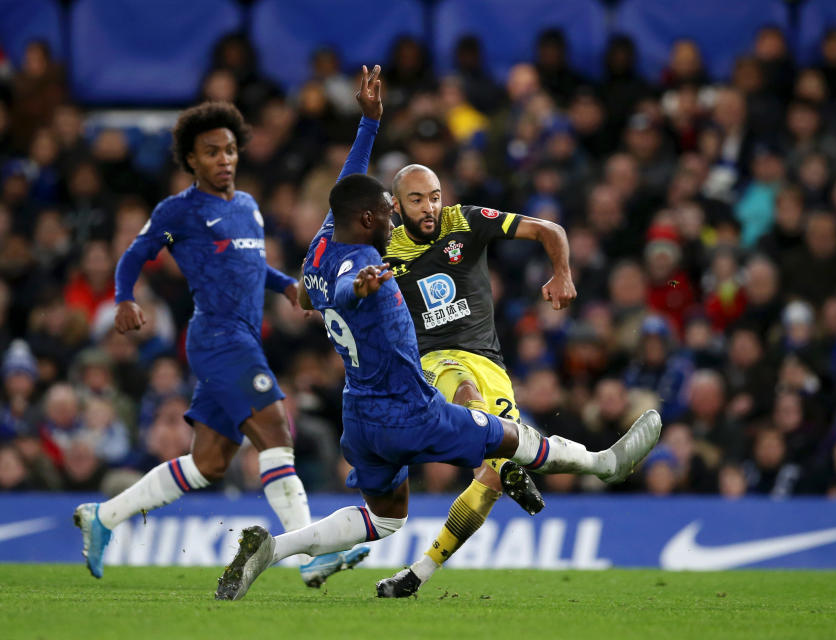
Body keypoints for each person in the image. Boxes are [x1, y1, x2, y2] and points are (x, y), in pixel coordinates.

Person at [213, 172, 662, 601]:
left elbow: (312, 293)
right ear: (380, 212)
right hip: (413, 398)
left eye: (434, 196)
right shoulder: (374, 259)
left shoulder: (339, 253)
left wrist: (369, 123)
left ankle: (273, 549)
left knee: (385, 519)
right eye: (406, 204)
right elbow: (350, 285)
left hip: (362, 413)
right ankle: (604, 463)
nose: (424, 209)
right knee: (507, 434)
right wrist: (360, 285)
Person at [73, 66, 386, 587]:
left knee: (210, 463)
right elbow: (134, 253)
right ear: (191, 159)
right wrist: (124, 297)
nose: (225, 159)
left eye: (230, 150)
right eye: (212, 152)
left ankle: (101, 517)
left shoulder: (247, 207)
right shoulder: (180, 210)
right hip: (217, 336)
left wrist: (285, 283)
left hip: (242, 334)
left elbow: (247, 266)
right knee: (275, 429)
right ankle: (308, 551)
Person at [375, 162, 577, 597]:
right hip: (432, 359)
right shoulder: (383, 250)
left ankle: (417, 575)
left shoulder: (463, 221)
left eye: (434, 195)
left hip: (490, 361)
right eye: (416, 199)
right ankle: (509, 465)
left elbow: (549, 229)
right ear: (395, 205)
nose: (429, 207)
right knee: (465, 393)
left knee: (487, 481)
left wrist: (562, 272)